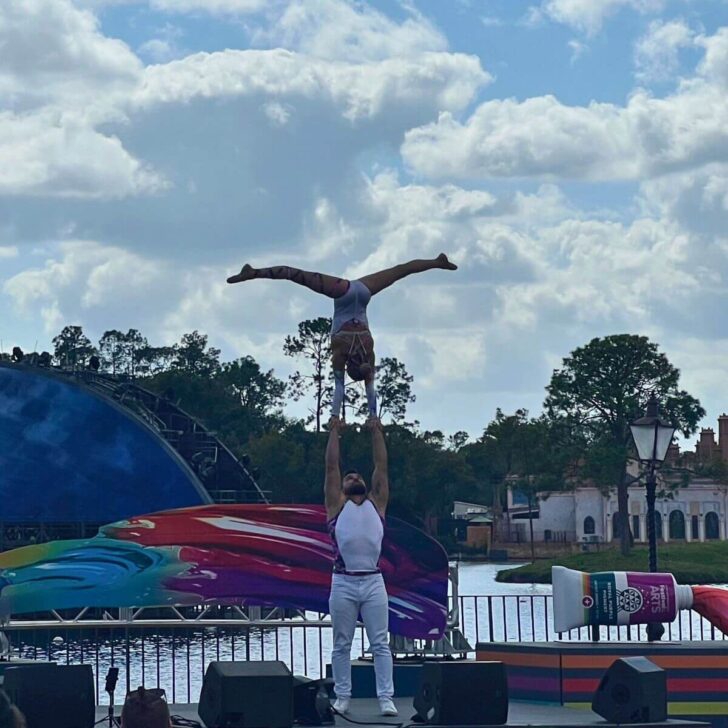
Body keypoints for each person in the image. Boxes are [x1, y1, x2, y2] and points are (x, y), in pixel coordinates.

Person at [227, 254, 457, 420]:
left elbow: (369, 389)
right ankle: (254, 273)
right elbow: (340, 387)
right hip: (346, 292)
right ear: (350, 369)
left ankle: (437, 262)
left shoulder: (369, 352)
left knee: (400, 270)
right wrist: (340, 416)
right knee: (295, 275)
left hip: (360, 292)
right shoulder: (343, 353)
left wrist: (371, 415)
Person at [324, 415, 397, 717]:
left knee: (380, 643)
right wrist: (333, 433)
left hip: (373, 581)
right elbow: (331, 467)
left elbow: (381, 465)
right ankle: (343, 697)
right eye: (349, 477)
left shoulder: (377, 503)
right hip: (343, 581)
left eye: (357, 476)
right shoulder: (335, 506)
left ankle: (386, 699)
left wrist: (376, 432)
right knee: (342, 643)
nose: (354, 477)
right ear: (342, 487)